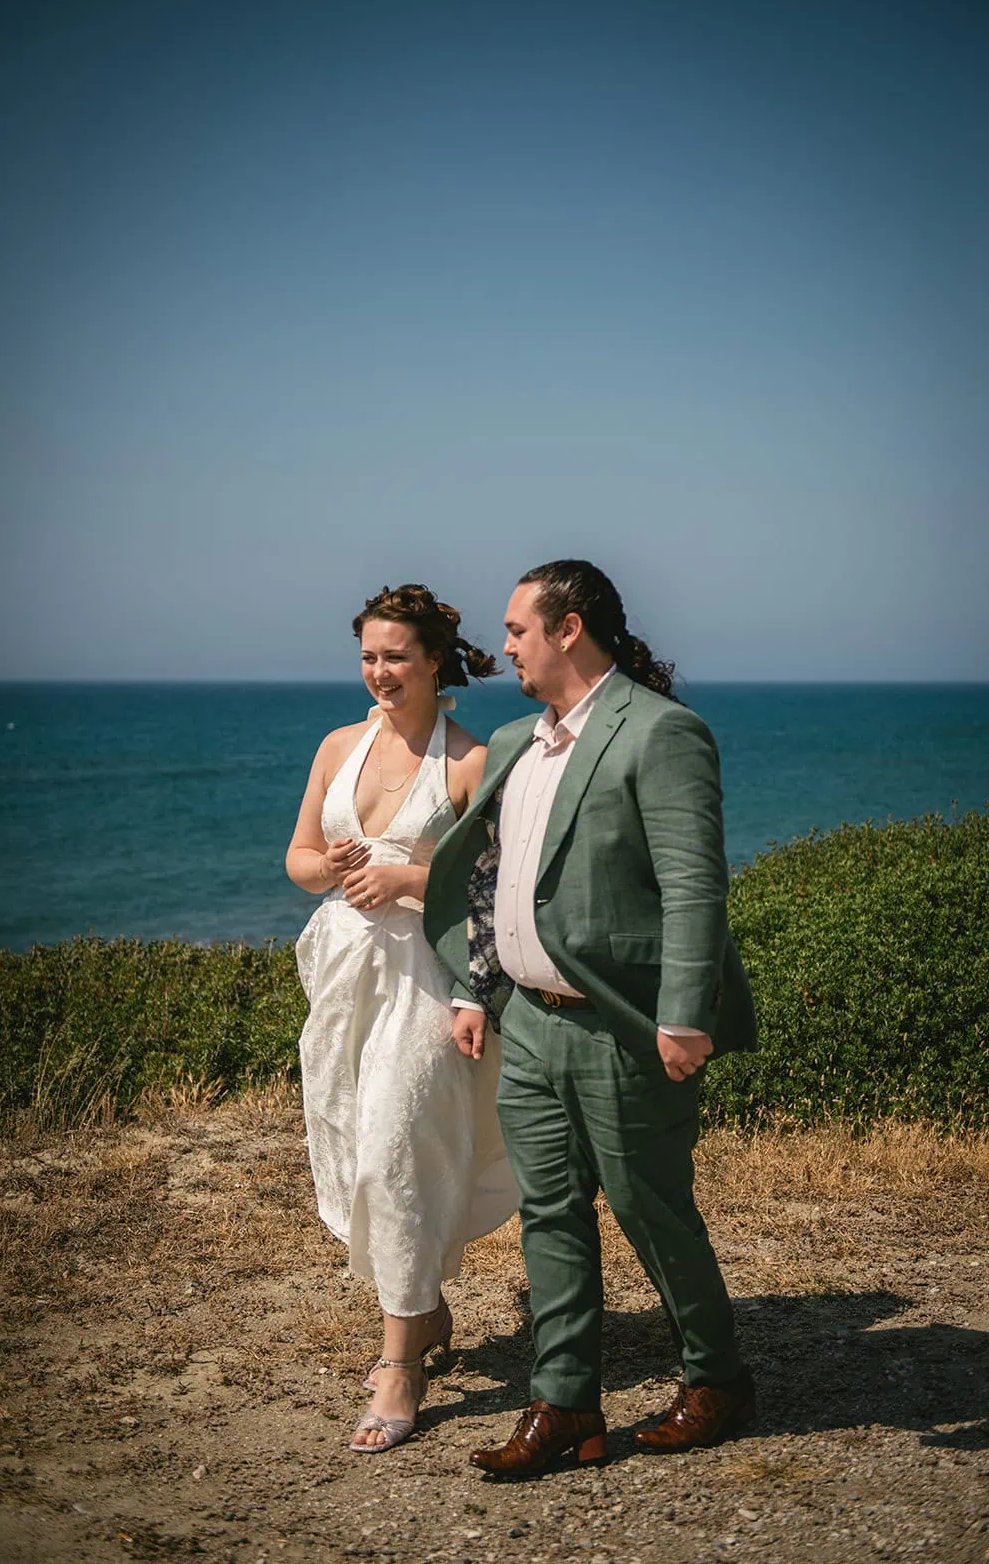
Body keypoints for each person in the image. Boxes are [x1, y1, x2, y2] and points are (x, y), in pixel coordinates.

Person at [424, 559, 757, 1477]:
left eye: (518, 629)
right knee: (550, 1215)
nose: (505, 647)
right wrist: (476, 989)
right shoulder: (515, 740)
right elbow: (495, 882)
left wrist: (685, 1015)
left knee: (651, 1207)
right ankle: (566, 1405)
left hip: (625, 1024)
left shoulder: (662, 733)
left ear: (570, 629)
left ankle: (718, 1378)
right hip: (528, 1021)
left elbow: (695, 886)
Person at [286, 584, 518, 1454]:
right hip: (344, 971)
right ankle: (423, 1307)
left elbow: (497, 882)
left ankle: (398, 1369)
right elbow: (298, 856)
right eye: (368, 656)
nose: (379, 672)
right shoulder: (338, 745)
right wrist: (332, 865)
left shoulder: (467, 759)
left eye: (395, 656)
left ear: (432, 662)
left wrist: (408, 879)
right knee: (356, 1148)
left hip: (428, 975)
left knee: (393, 1149)